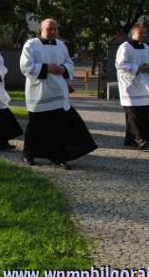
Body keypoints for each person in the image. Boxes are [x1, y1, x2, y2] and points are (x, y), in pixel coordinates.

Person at [20, 18, 97, 169]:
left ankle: (57, 156)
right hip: (39, 91)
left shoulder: (61, 45)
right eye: (49, 29)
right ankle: (28, 154)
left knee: (58, 127)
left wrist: (64, 69)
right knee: (35, 125)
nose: (53, 32)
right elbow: (25, 66)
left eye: (55, 29)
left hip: (58, 91)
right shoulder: (31, 44)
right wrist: (47, 68)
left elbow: (69, 63)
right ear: (41, 29)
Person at [116, 23, 149, 150]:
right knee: (133, 114)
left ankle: (130, 140)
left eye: (144, 33)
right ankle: (139, 139)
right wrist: (137, 68)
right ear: (133, 33)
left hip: (143, 85)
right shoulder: (125, 47)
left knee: (142, 113)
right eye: (140, 33)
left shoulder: (146, 47)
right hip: (129, 85)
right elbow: (120, 65)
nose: (143, 35)